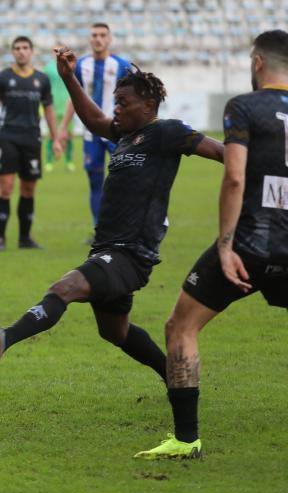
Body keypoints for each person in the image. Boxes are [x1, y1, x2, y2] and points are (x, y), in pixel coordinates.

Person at [0, 47, 224, 389]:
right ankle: (173, 376)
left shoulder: (168, 132)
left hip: (131, 252)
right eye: (116, 102)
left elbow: (221, 151)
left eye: (124, 102)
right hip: (108, 249)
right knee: (115, 331)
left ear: (149, 107)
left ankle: (6, 337)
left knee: (65, 288)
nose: (117, 108)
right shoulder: (125, 136)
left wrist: (262, 169)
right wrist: (69, 77)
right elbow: (94, 120)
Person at [136, 30, 288, 460]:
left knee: (180, 327)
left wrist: (226, 245)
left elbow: (235, 176)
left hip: (252, 244)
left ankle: (186, 440)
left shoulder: (244, 106)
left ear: (258, 62)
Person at [0, 36, 60, 251]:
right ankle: (0, 238)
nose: (21, 52)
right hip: (8, 137)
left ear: (32, 51)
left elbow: (48, 110)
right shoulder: (3, 77)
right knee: (5, 187)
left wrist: (55, 138)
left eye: (25, 48)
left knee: (28, 188)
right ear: (12, 52)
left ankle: (25, 238)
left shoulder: (42, 79)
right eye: (17, 48)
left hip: (32, 138)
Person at [58, 23, 131, 235]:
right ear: (90, 39)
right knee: (95, 181)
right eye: (94, 35)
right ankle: (100, 229)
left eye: (102, 35)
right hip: (91, 134)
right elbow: (74, 97)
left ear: (109, 39)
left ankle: (124, 226)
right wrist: (64, 127)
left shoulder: (122, 66)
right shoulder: (80, 66)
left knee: (124, 180)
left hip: (116, 133)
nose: (98, 39)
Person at [42, 47, 76, 173]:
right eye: (57, 50)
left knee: (68, 136)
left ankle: (69, 161)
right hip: (53, 106)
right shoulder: (48, 68)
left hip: (68, 106)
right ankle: (49, 162)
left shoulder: (70, 66)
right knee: (51, 135)